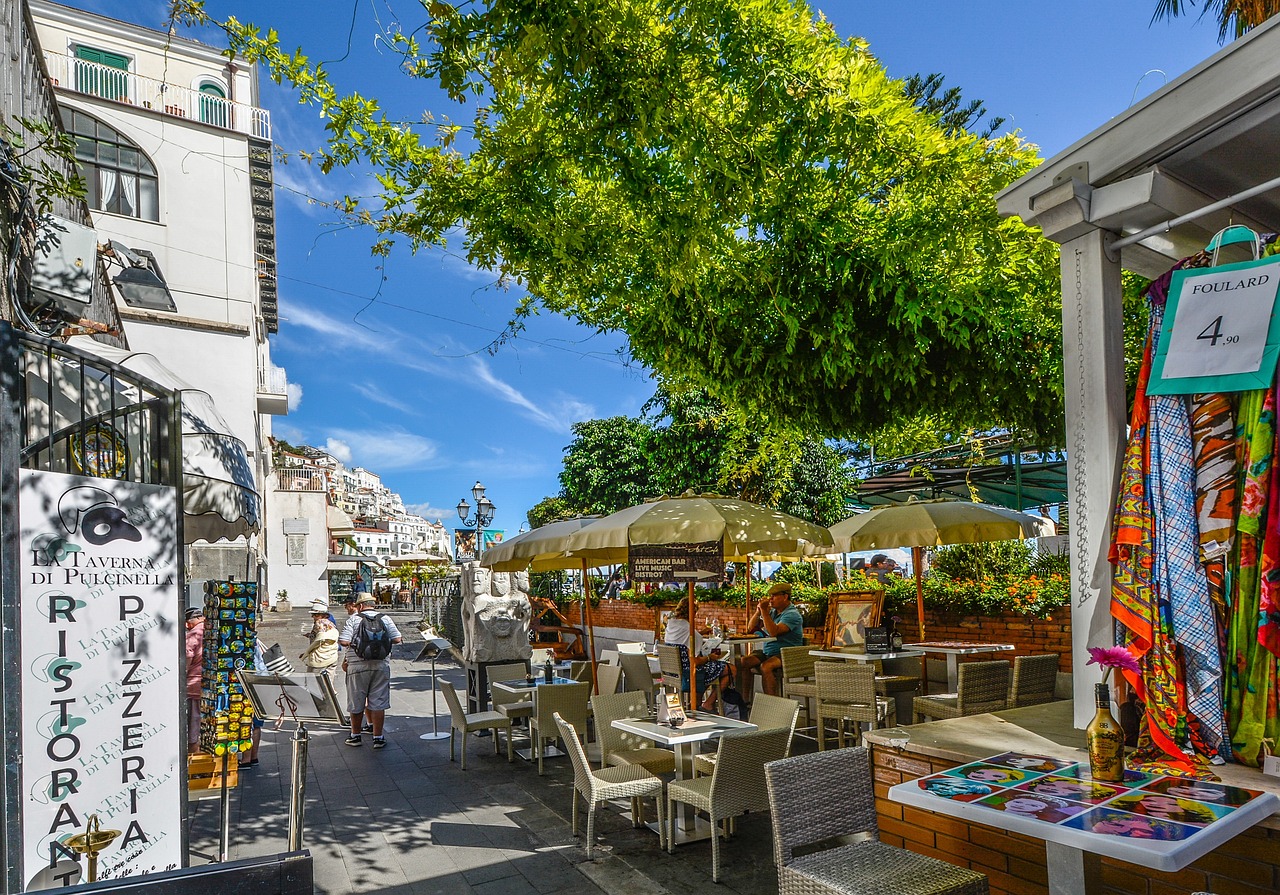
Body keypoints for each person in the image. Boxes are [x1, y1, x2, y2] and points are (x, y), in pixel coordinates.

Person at [339, 593, 402, 749]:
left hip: (357, 666)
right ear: (373, 604)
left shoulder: (354, 619)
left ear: (360, 606)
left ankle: (355, 736)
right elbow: (397, 639)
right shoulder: (385, 618)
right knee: (378, 702)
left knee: (356, 700)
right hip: (381, 665)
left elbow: (344, 641)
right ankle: (378, 738)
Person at [664, 595, 739, 712]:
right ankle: (708, 703)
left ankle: (696, 702)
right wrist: (710, 657)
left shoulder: (670, 626)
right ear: (693, 612)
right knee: (731, 669)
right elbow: (694, 661)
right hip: (689, 674)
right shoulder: (692, 633)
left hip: (672, 672)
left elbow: (683, 639)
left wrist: (700, 633)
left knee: (709, 670)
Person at [735, 581, 804, 700]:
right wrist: (758, 611)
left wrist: (764, 612)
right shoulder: (772, 612)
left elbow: (774, 632)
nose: (770, 599)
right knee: (743, 662)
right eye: (770, 596)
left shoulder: (792, 614)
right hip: (768, 652)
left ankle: (772, 703)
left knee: (766, 666)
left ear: (785, 597)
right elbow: (750, 629)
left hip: (787, 653)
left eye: (774, 596)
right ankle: (744, 701)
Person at [184, 606, 205, 756]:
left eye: (187, 622)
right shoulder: (210, 630)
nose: (186, 626)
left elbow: (186, 661)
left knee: (193, 728)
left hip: (193, 686)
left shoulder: (193, 635)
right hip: (209, 686)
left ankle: (195, 762)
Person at [300, 599, 340, 675]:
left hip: (320, 660)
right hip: (332, 657)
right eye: (313, 615)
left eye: (316, 615)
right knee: (329, 684)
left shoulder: (319, 623)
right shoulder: (330, 623)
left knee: (312, 682)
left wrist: (307, 653)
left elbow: (318, 640)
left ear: (324, 615)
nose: (313, 617)